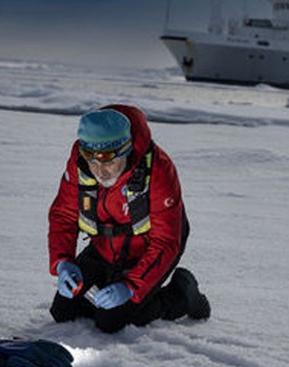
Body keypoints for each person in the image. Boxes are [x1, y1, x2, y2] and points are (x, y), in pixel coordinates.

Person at [47, 104, 210, 333]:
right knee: (63, 311)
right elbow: (63, 215)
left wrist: (130, 286)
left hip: (152, 247)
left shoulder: (159, 170)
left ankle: (182, 294)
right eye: (93, 161)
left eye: (109, 161)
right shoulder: (79, 164)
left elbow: (166, 242)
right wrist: (63, 261)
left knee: (111, 320)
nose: (101, 171)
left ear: (127, 149)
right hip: (105, 245)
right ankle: (109, 288)